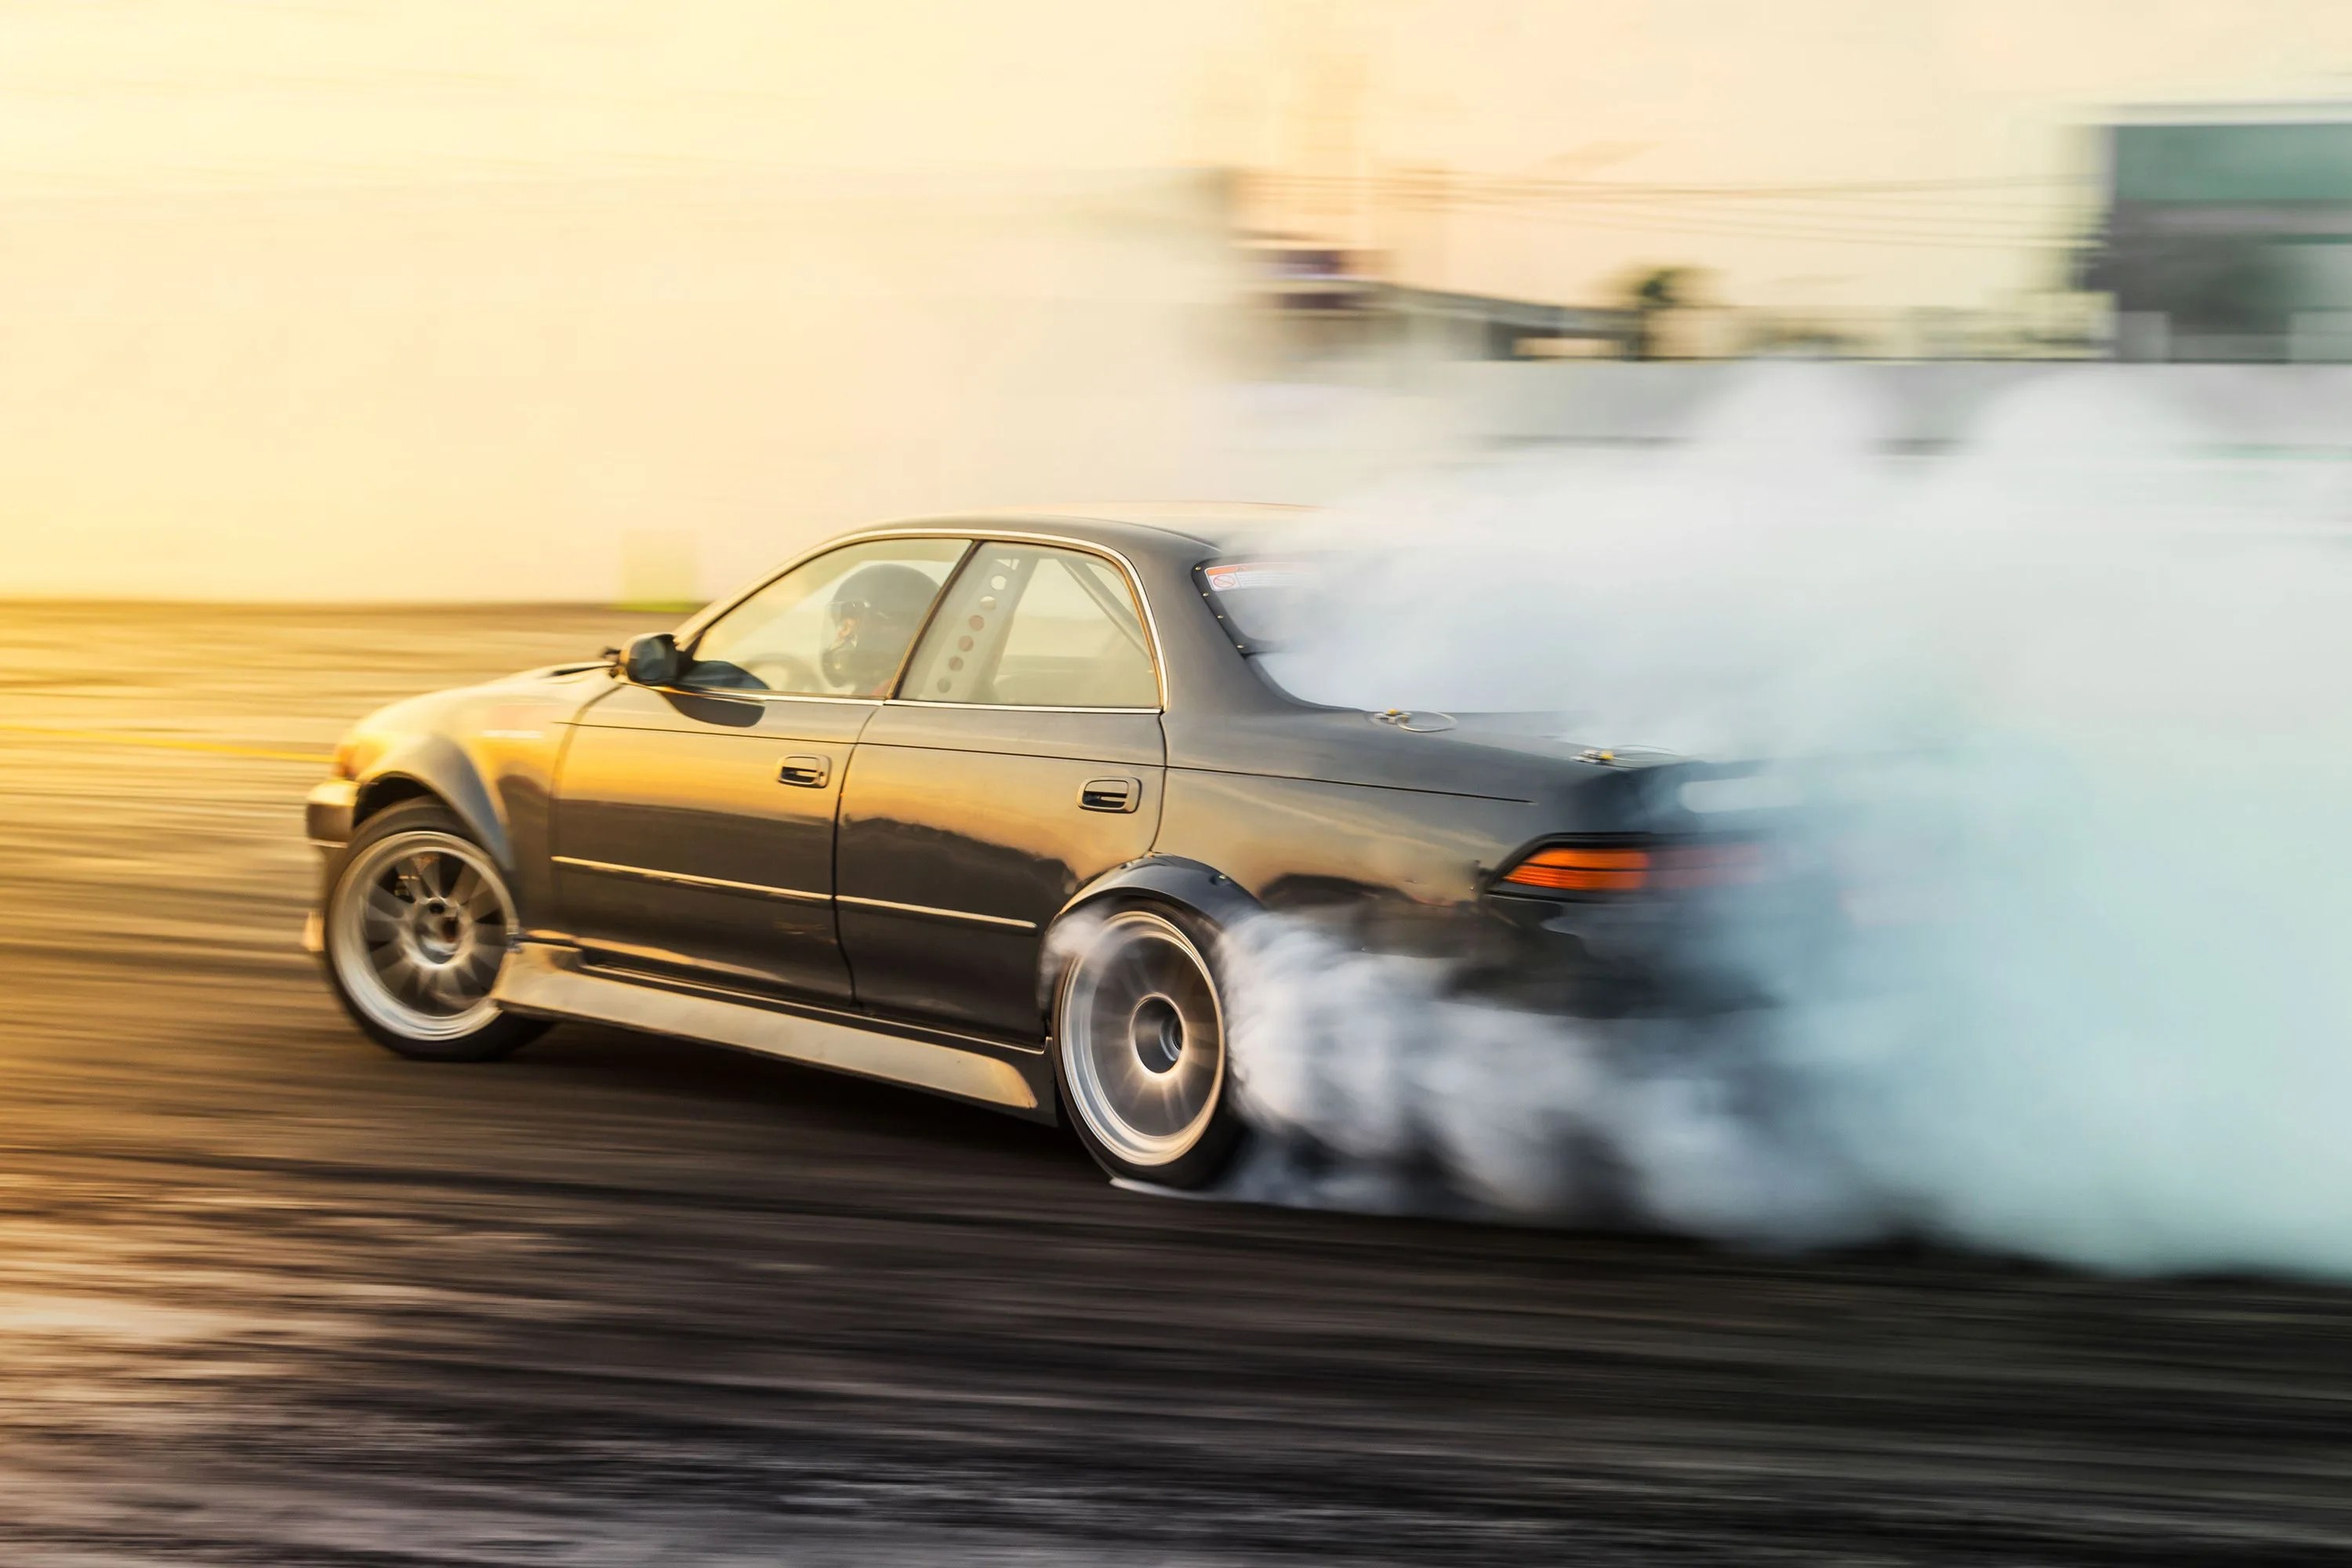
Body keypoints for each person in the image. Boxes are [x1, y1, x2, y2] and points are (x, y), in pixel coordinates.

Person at [821, 561, 941, 695]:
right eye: (842, 626)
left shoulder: (893, 698)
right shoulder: (899, 694)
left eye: (848, 626)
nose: (841, 635)